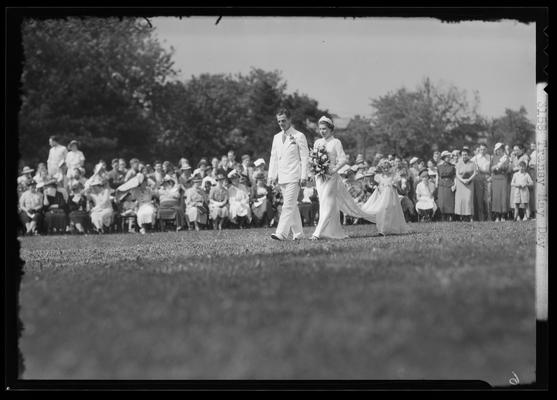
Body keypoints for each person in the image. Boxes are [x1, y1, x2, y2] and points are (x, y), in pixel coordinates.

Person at [267, 108, 309, 240]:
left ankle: (282, 233)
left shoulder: (299, 136)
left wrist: (304, 176)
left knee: (287, 206)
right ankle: (299, 234)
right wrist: (271, 176)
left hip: (294, 176)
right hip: (282, 177)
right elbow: (273, 158)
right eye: (279, 121)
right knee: (292, 206)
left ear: (290, 120)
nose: (281, 123)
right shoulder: (276, 137)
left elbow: (305, 157)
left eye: (283, 120)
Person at [454, 147, 476, 221]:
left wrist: (469, 179)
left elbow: (475, 173)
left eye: (466, 154)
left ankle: (470, 216)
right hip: (461, 183)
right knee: (461, 200)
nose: (464, 156)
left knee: (468, 199)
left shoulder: (472, 163)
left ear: (469, 155)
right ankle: (462, 216)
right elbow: (457, 173)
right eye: (463, 155)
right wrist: (462, 180)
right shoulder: (459, 163)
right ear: (461, 155)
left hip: (469, 183)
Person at [490, 143, 511, 221]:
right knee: (496, 197)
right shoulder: (494, 158)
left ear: (501, 149)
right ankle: (497, 216)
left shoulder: (506, 157)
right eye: (496, 150)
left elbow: (506, 168)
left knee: (503, 197)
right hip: (495, 179)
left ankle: (503, 216)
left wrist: (499, 167)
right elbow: (491, 168)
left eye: (498, 149)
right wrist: (495, 167)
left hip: (503, 179)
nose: (497, 151)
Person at [471, 143, 491, 221]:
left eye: (484, 149)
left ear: (487, 149)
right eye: (481, 149)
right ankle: (480, 217)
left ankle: (488, 217)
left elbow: (489, 170)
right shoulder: (475, 158)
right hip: (478, 180)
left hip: (487, 179)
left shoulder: (489, 157)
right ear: (479, 149)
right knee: (479, 199)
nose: (482, 151)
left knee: (487, 199)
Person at [436, 151, 456, 221]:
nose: (448, 158)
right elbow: (438, 176)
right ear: (444, 158)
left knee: (450, 200)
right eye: (447, 157)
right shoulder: (439, 166)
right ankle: (442, 215)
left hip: (450, 183)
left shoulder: (452, 166)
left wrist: (454, 185)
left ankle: (450, 215)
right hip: (441, 184)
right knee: (442, 201)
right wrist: (436, 185)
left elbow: (454, 176)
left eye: (449, 157)